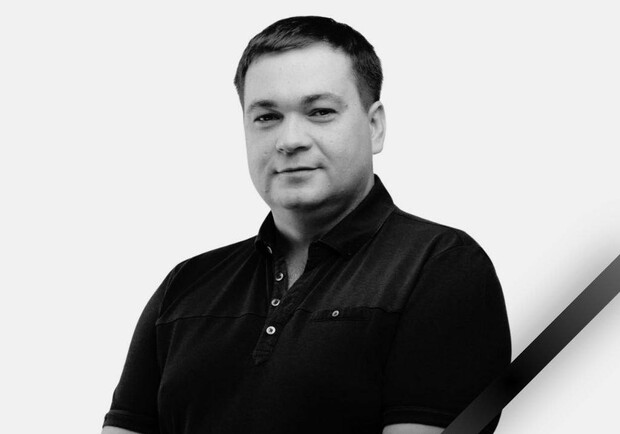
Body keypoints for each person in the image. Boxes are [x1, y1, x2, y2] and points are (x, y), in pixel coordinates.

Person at [102, 16, 511, 434]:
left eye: (320, 112)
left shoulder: (441, 266)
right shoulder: (186, 287)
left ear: (374, 127)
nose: (289, 140)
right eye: (267, 117)